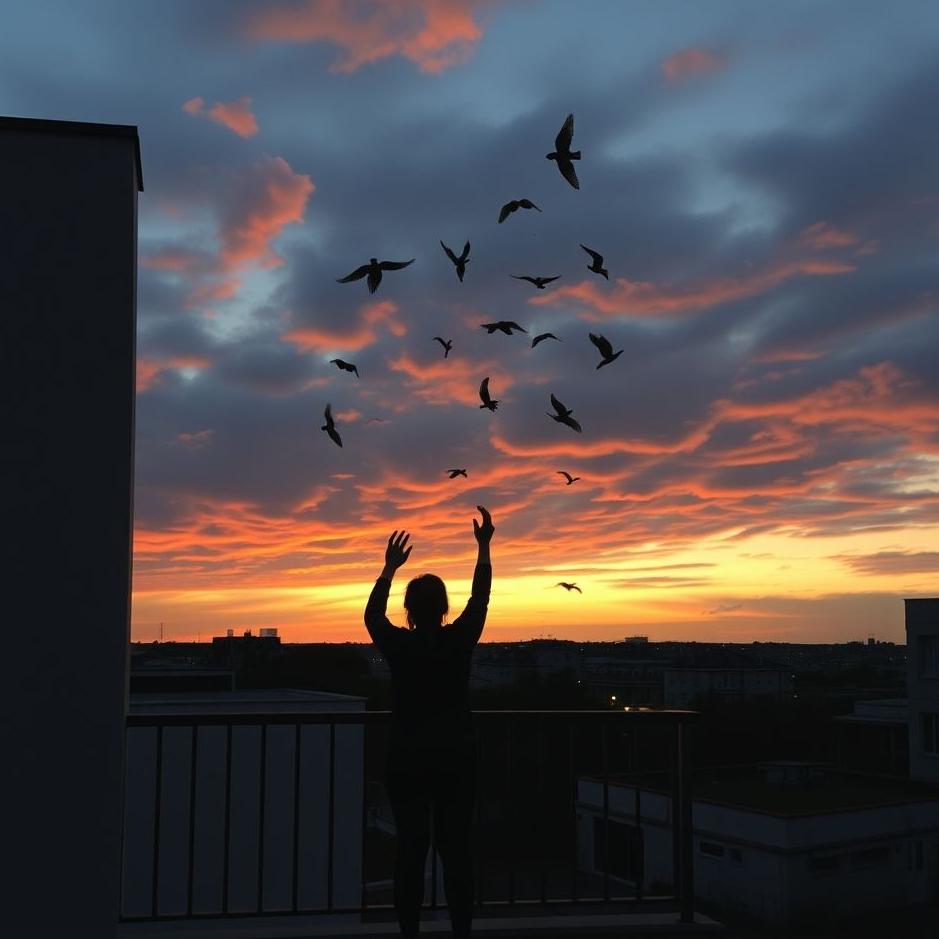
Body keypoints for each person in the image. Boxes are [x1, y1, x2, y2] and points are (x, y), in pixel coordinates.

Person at [364, 505, 494, 939]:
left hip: (407, 758)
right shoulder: (460, 640)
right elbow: (480, 599)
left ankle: (410, 933)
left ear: (410, 609)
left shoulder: (399, 647)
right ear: (442, 607)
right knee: (457, 852)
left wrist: (388, 568)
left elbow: (372, 619)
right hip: (456, 757)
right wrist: (483, 548)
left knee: (410, 852)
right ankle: (461, 932)